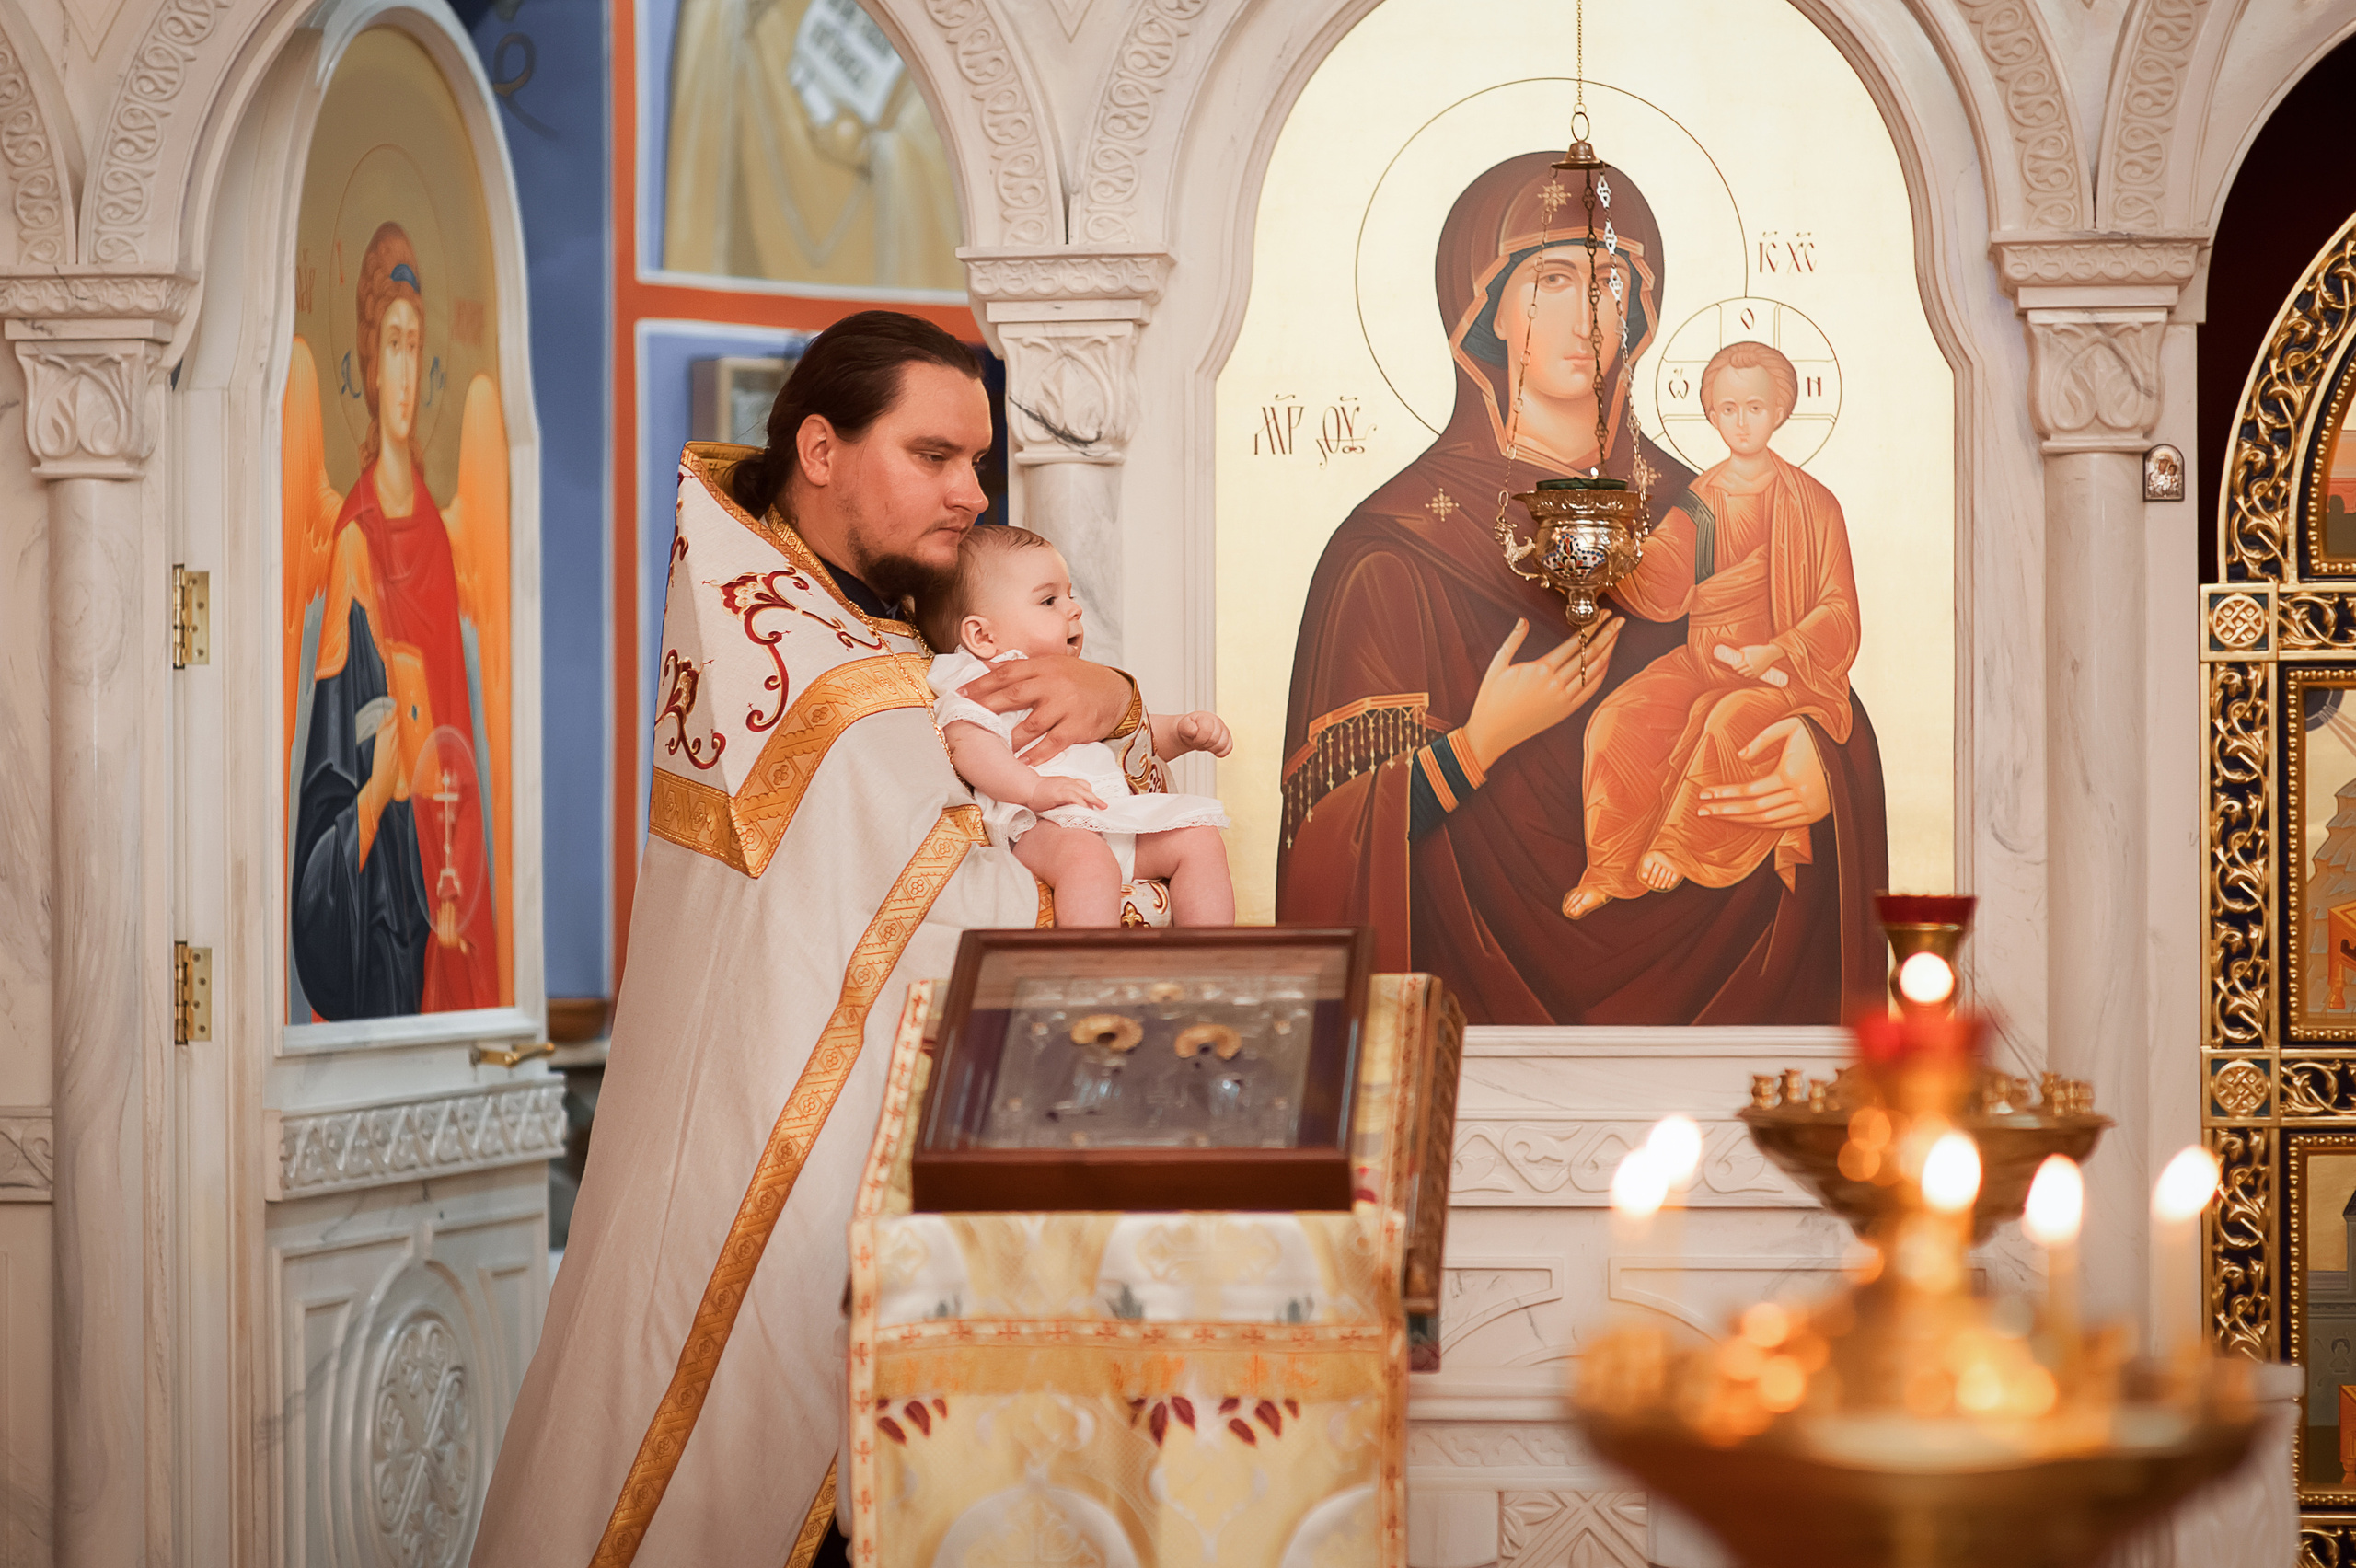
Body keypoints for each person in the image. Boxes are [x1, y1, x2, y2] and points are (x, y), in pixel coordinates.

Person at [470, 312, 1143, 1568]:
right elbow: (978, 882)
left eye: (978, 462)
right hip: (756, 1166)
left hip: (874, 1183)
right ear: (821, 447)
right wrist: (1105, 791)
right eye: (935, 455)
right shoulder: (787, 646)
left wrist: (1108, 695)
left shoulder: (880, 621)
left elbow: (1023, 776)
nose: (971, 491)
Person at [1277, 151, 1889, 1025]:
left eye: (1611, 282)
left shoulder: (1714, 502)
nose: (1588, 314)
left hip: (1722, 991)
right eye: (1553, 279)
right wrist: (1474, 748)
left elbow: (1815, 654)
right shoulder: (1392, 549)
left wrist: (1825, 763)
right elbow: (1323, 843)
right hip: (1470, 1019)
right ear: (1483, 308)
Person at [283, 221, 512, 1019]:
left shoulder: (443, 546)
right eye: (392, 345)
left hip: (446, 836)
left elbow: (460, 721)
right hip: (387, 866)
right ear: (369, 370)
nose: (406, 370)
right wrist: (381, 790)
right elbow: (340, 746)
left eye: (417, 345)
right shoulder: (352, 540)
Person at [1565, 340, 1862, 918]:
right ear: (1710, 415)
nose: (1741, 421)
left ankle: (1678, 848)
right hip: (1702, 662)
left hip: (1782, 677)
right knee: (1615, 722)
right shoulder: (1700, 501)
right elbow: (1665, 587)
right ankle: (1608, 867)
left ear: (1780, 411)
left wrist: (1776, 649)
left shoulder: (1814, 505)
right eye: (1727, 409)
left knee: (1726, 722)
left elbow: (1838, 612)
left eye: (1755, 407)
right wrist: (1610, 555)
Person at [916, 525, 1235, 926]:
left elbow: (1116, 740)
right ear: (982, 635)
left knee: (1200, 840)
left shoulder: (1068, 677)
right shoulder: (977, 682)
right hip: (1039, 826)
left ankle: (1212, 965)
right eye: (1049, 600)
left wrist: (1179, 731)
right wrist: (1033, 788)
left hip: (1110, 813)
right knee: (1088, 861)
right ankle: (1091, 974)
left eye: (1071, 596)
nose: (1073, 609)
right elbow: (968, 744)